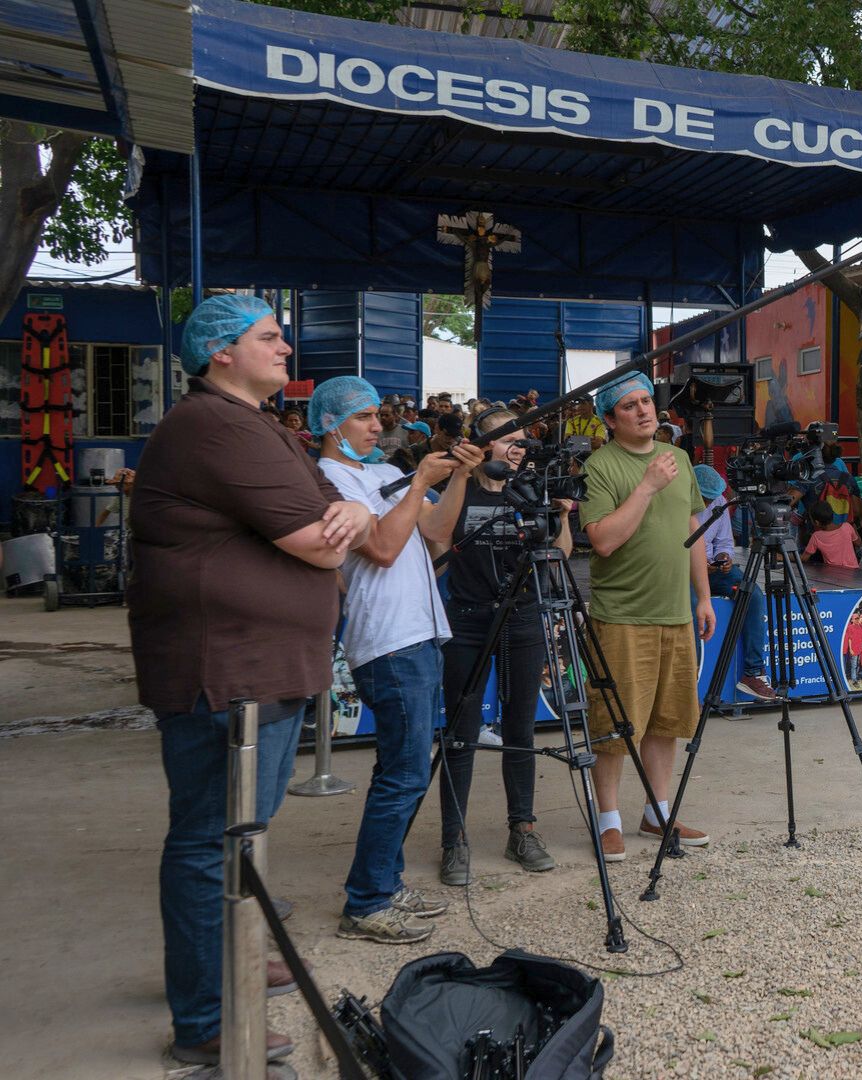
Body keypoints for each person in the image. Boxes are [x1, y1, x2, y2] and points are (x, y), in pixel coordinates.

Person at [130, 295, 374, 1066]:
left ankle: (227, 955)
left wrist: (353, 520)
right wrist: (343, 528)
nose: (286, 346)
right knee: (212, 838)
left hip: (263, 670)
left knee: (245, 828)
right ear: (221, 352)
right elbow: (323, 541)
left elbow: (345, 511)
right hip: (222, 673)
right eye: (269, 336)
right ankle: (206, 1017)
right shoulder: (214, 426)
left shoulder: (262, 427)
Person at [309, 377, 483, 943]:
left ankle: (385, 882)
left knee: (400, 770)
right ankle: (366, 901)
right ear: (330, 425)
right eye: (362, 417)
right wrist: (421, 483)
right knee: (404, 775)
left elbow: (436, 531)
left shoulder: (382, 473)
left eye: (376, 414)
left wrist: (458, 476)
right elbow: (383, 549)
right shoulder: (328, 480)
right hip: (387, 639)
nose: (376, 424)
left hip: (420, 633)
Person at [437, 406, 574, 886]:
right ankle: (453, 840)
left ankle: (523, 831)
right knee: (461, 731)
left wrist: (560, 516)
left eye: (522, 439)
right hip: (468, 620)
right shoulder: (460, 488)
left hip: (522, 618)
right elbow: (437, 546)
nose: (518, 447)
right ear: (483, 445)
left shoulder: (530, 489)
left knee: (520, 728)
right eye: (508, 438)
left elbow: (558, 557)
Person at [581, 372, 714, 861]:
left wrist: (703, 597)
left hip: (675, 614)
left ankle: (658, 813)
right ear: (610, 419)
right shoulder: (599, 466)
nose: (643, 410)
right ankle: (609, 820)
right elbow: (602, 541)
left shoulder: (678, 457)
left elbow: (691, 527)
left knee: (665, 720)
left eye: (645, 401)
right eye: (629, 405)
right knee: (616, 724)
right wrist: (647, 486)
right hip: (622, 617)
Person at [692, 464, 776, 700]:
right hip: (683, 572)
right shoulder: (676, 504)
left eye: (712, 498)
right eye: (705, 498)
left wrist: (723, 558)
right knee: (690, 606)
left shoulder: (719, 502)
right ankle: (690, 683)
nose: (709, 503)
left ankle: (753, 672)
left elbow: (724, 542)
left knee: (752, 594)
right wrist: (697, 565)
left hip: (713, 570)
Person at [803, 500, 860, 568]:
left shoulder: (816, 536)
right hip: (853, 570)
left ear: (817, 522)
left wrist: (791, 556)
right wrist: (854, 529)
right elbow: (858, 543)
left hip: (833, 572)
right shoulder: (847, 526)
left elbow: (804, 558)